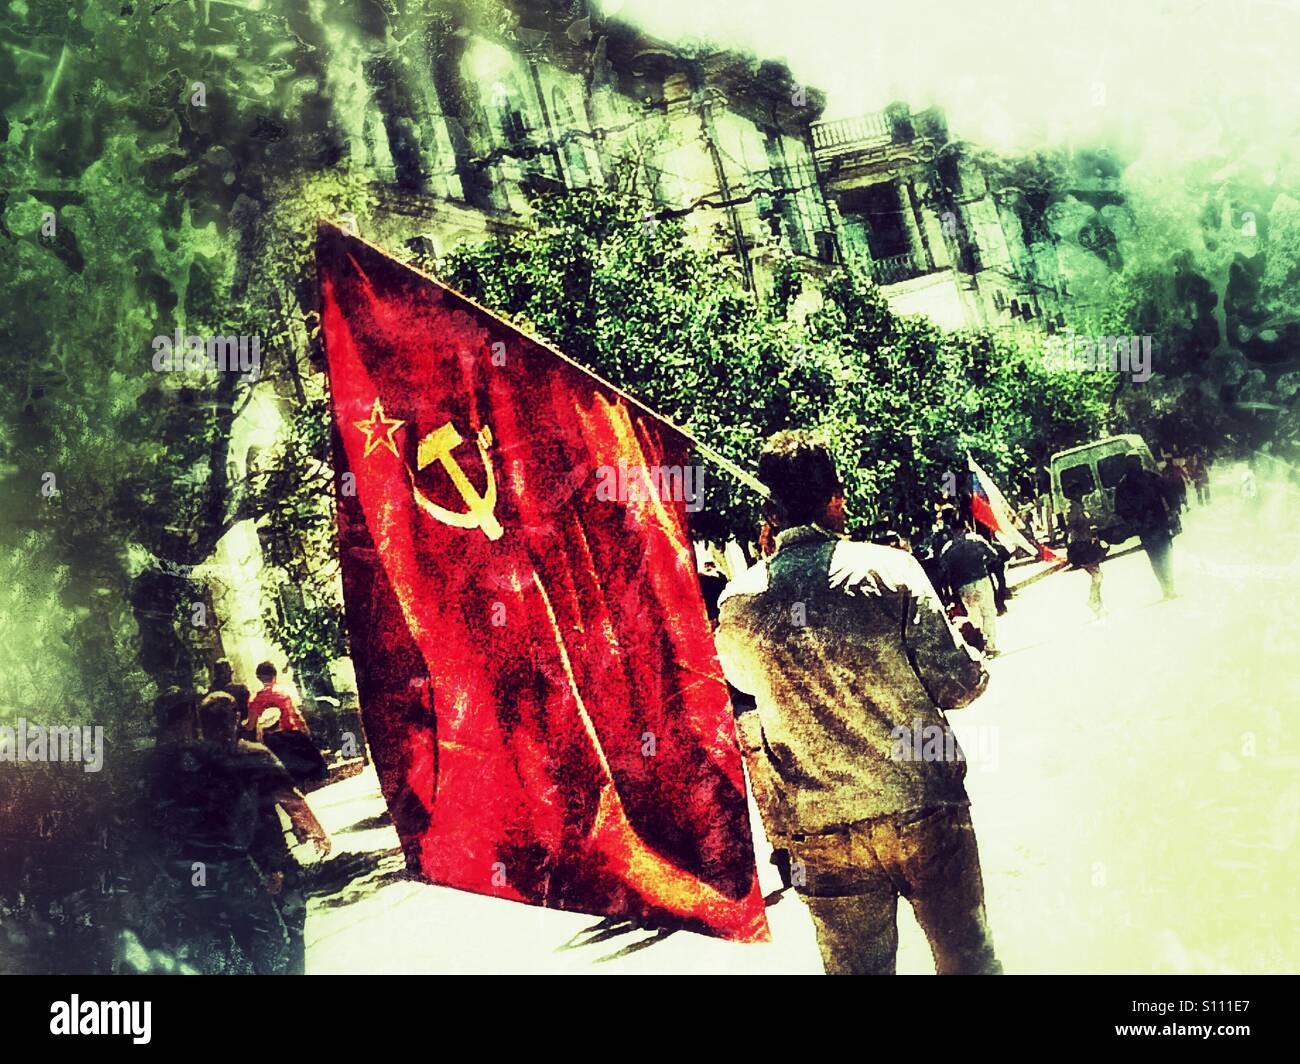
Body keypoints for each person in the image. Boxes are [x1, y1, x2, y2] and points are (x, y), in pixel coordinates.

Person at [714, 430, 999, 975]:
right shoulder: (891, 571)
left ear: (770, 508)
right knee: (970, 963)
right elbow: (958, 684)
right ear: (835, 500)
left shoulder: (739, 603)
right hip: (924, 809)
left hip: (821, 832)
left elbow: (745, 687)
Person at [1114, 454, 1178, 600]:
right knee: (1155, 558)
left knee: (1165, 554)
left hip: (1159, 522)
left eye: (1136, 462)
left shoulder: (1150, 477)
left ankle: (1169, 586)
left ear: (1140, 462)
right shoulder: (1123, 486)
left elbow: (1168, 492)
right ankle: (1166, 588)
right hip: (1145, 527)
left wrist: (1173, 511)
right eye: (1132, 463)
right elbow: (1120, 510)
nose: (1135, 465)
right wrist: (1134, 520)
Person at [939, 519, 1002, 656]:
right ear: (965, 528)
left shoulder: (947, 549)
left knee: (974, 616)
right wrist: (983, 564)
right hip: (981, 580)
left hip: (963, 586)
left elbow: (944, 571)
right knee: (988, 612)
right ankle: (990, 646)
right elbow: (994, 555)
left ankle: (978, 646)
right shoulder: (976, 540)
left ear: (952, 531)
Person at [1066, 502, 1108, 620]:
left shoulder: (1080, 510)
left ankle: (1097, 602)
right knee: (1097, 575)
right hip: (1082, 549)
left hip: (1088, 547)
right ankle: (1094, 602)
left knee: (1098, 576)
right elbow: (1074, 530)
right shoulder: (1074, 513)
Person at [246, 661, 310, 737]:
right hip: (297, 735)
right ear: (275, 675)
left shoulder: (257, 699)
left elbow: (251, 726)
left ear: (259, 678)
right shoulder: (288, 691)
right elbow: (298, 717)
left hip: (278, 739)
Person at [208, 658, 251, 735]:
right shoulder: (241, 689)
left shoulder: (210, 693)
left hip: (218, 734)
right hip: (239, 731)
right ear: (231, 673)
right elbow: (246, 714)